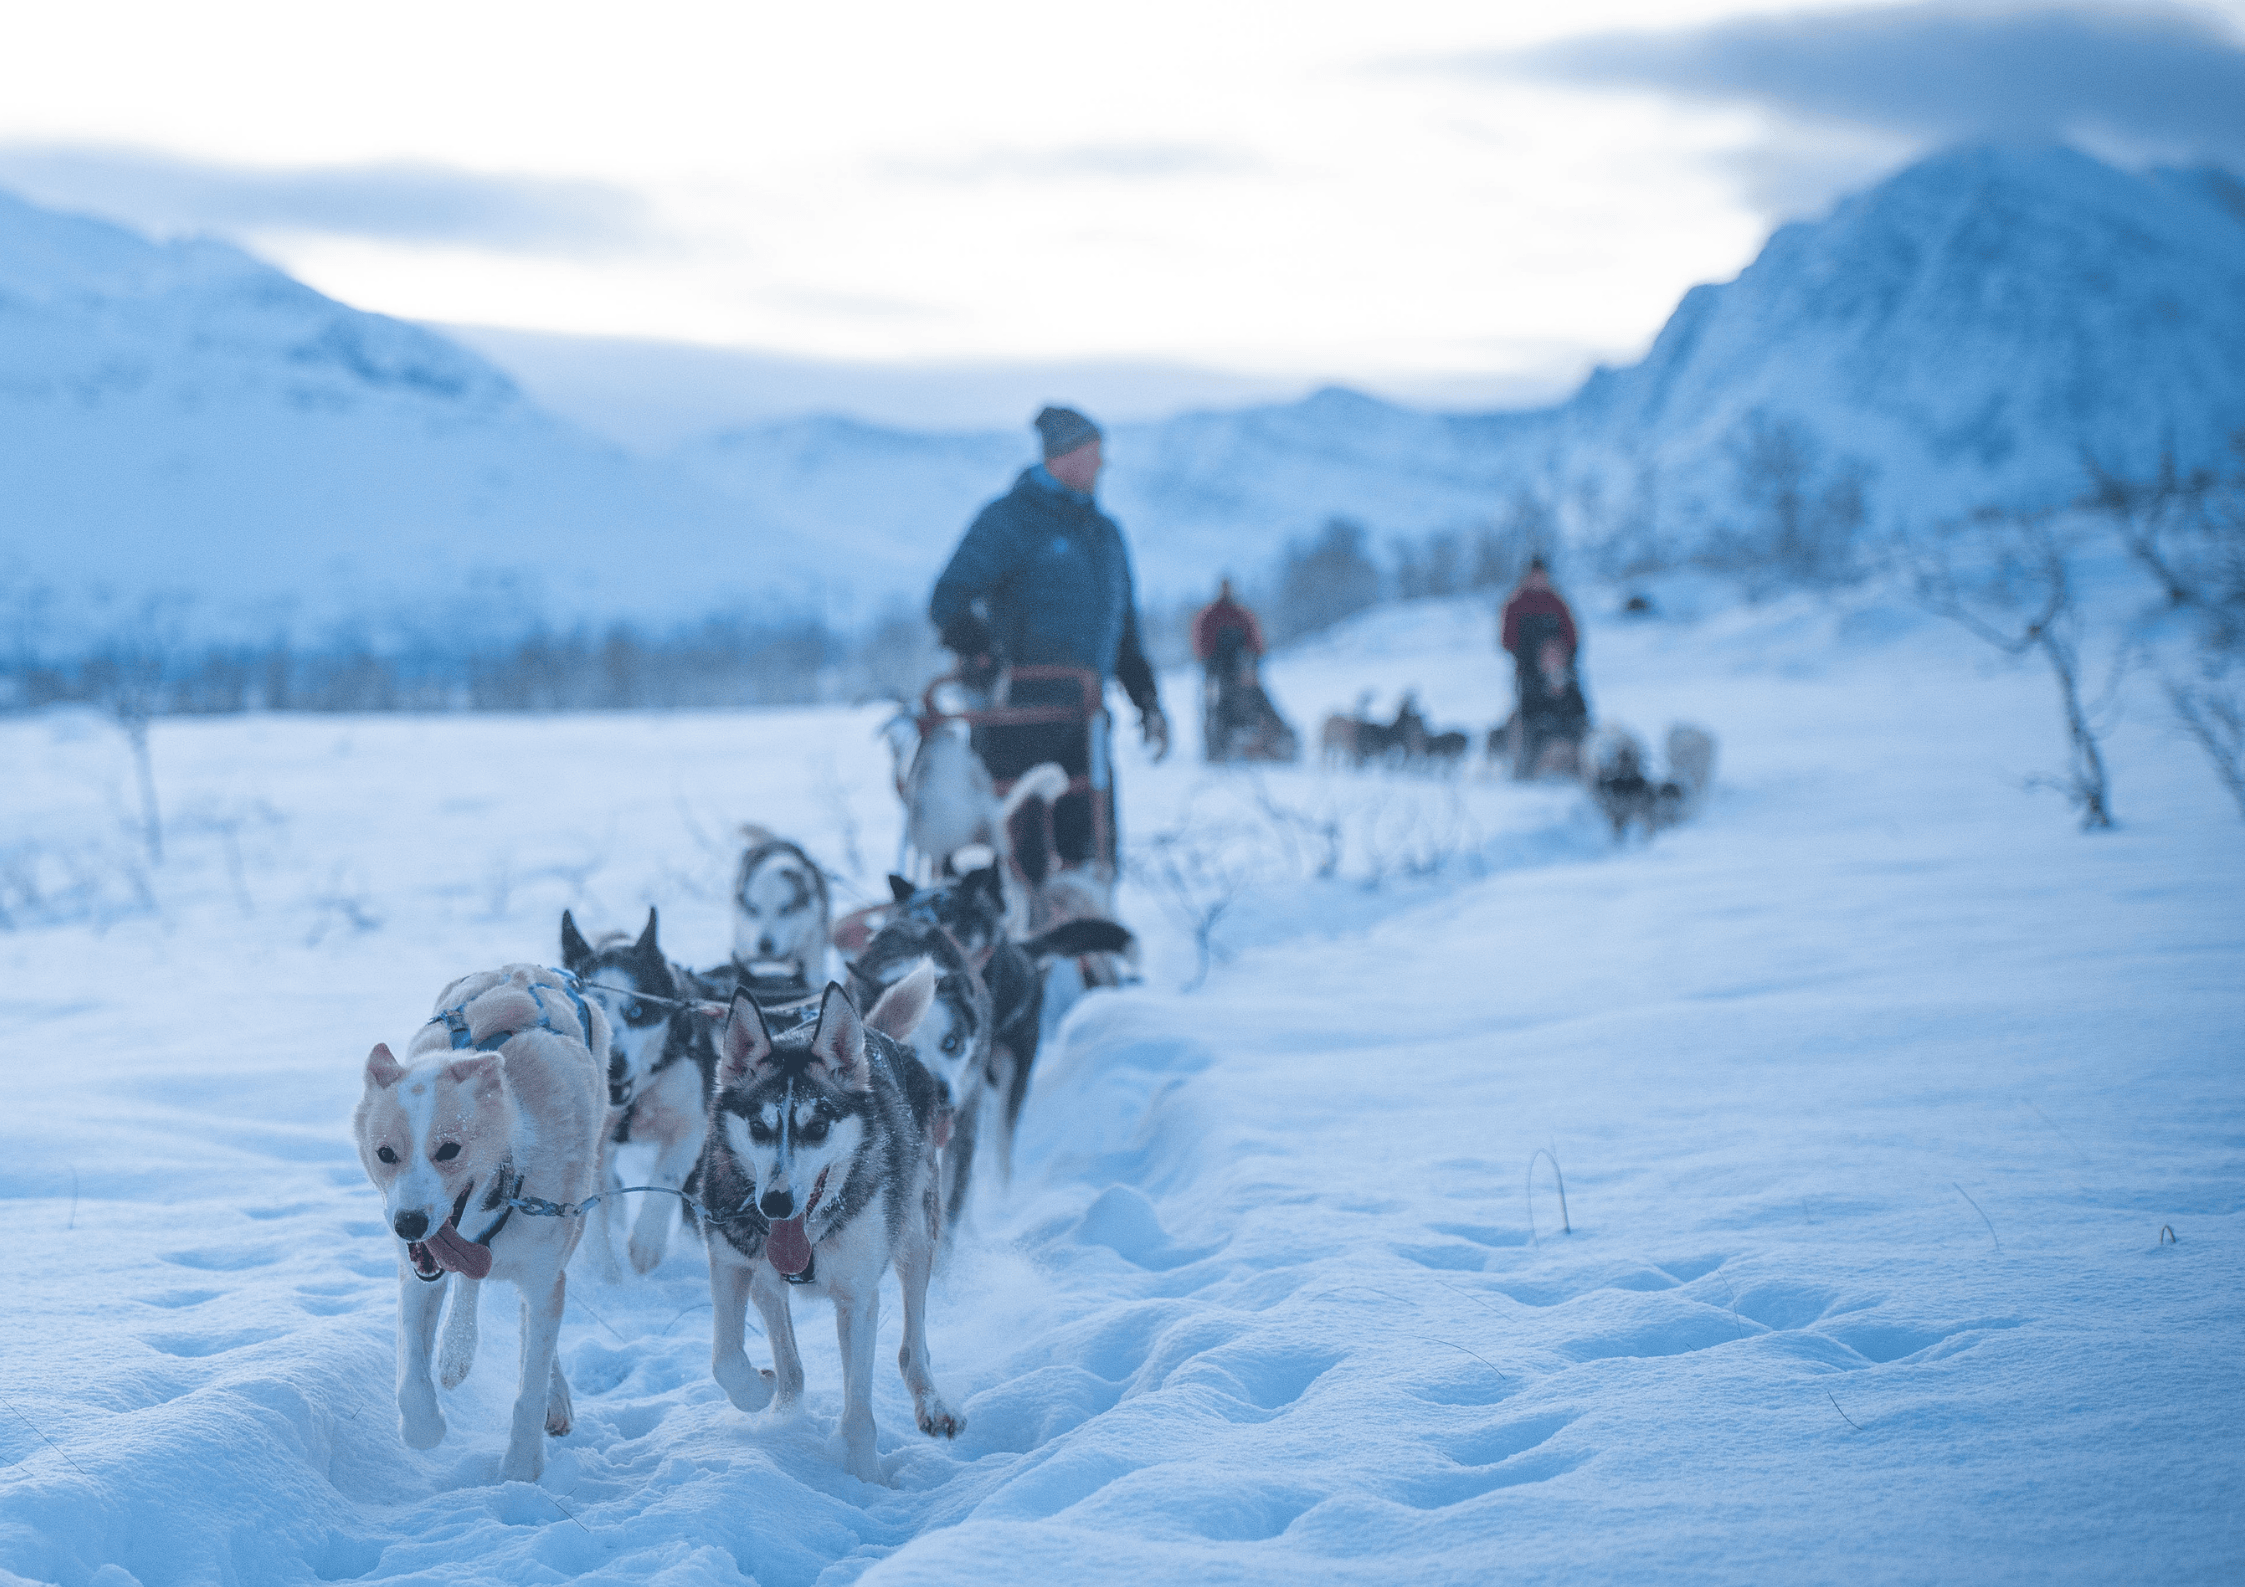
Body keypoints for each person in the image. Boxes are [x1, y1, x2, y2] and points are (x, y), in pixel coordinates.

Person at [929, 405, 1167, 878]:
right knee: (1017, 857)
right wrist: (981, 653)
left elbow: (1123, 629)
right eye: (1095, 453)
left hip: (1084, 719)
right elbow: (948, 601)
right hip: (1016, 719)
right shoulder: (1008, 521)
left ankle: (1084, 946)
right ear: (1065, 456)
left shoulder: (1105, 534)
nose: (1103, 465)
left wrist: (1147, 699)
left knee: (1088, 858)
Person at [1499, 558, 1586, 779]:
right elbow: (1508, 641)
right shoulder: (1516, 603)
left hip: (1562, 669)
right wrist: (1532, 660)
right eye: (1534, 576)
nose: (1539, 580)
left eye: (1542, 576)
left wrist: (1562, 660)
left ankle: (1582, 765)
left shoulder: (1556, 603)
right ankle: (1524, 771)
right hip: (1528, 672)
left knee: (1578, 716)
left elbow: (1572, 636)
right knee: (1528, 719)